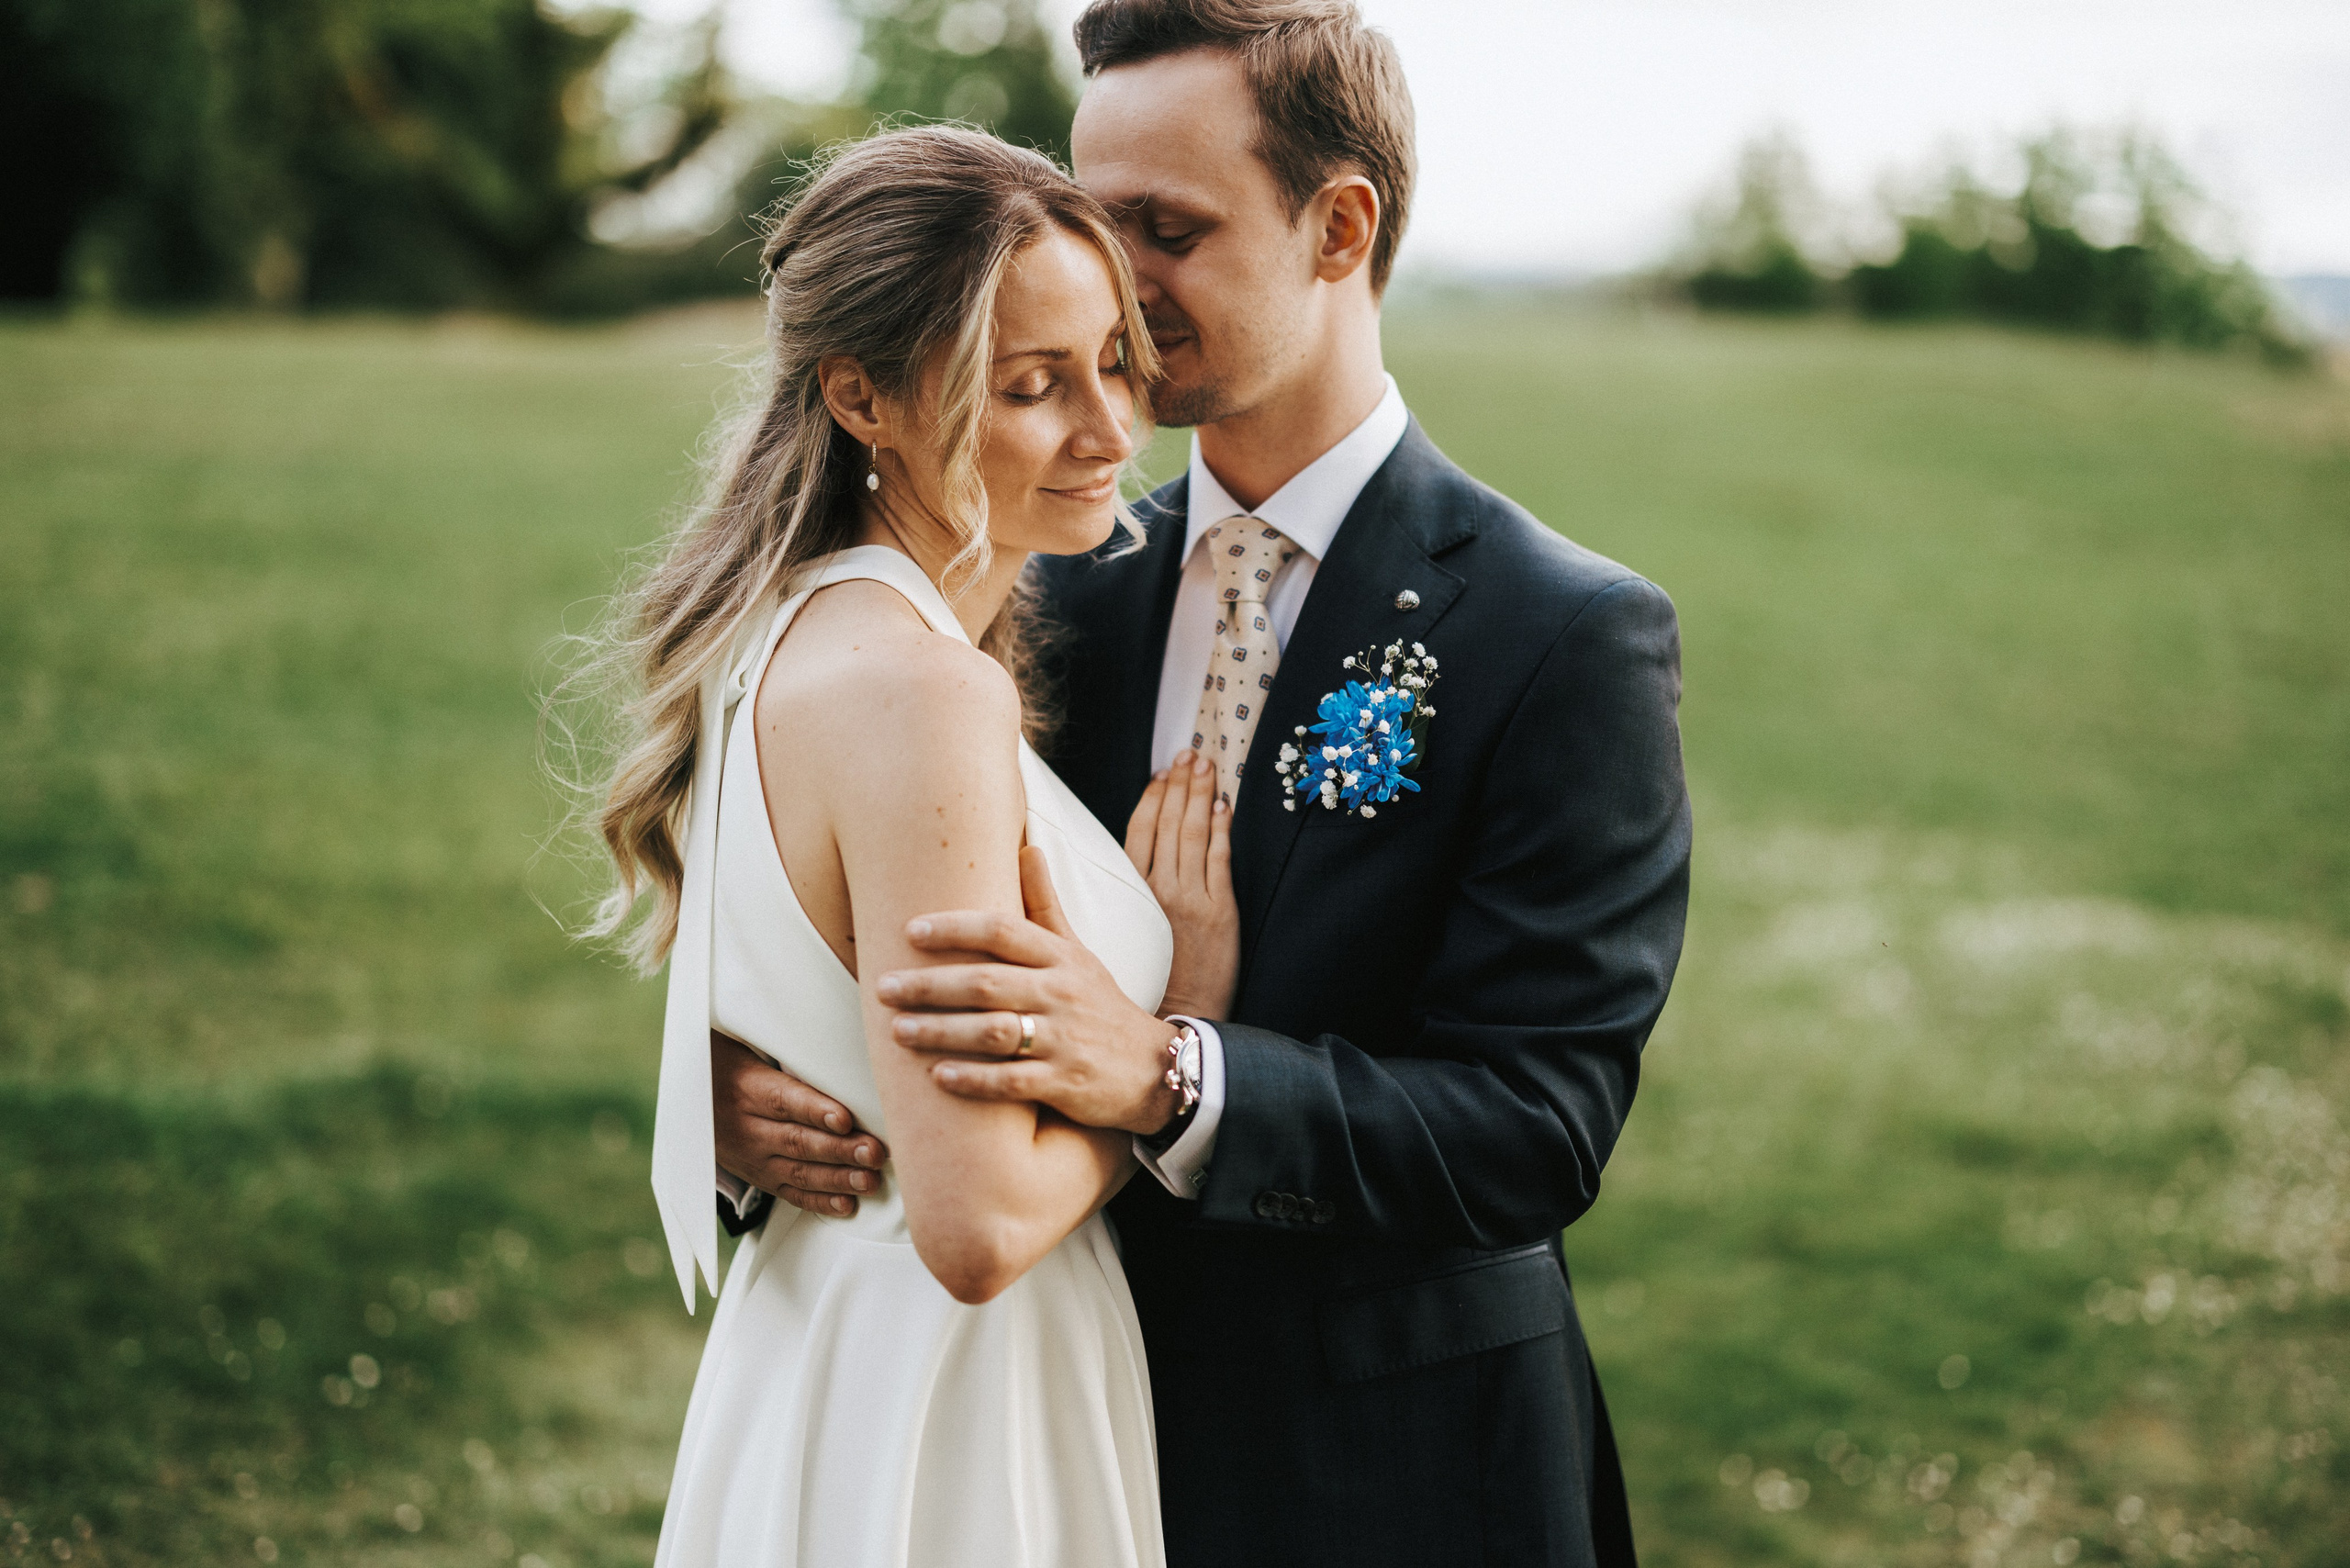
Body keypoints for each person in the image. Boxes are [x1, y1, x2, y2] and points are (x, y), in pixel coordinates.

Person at [711, 4, 1693, 1565]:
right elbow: (878, 885)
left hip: (1393, 1470)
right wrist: (752, 1092)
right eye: (1098, 222)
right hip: (1048, 1444)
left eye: (1167, 227)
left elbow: (1539, 1123)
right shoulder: (1045, 577)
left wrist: (1178, 1074)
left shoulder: (1560, 633)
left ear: (1339, 225)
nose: (1114, 275)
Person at [591, 126, 1241, 1568]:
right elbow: (981, 1225)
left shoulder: (785, 625)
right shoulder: (924, 685)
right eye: (1030, 387)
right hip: (957, 1401)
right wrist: (1175, 1028)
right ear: (861, 397)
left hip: (822, 1345)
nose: (1110, 434)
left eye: (1113, 364)